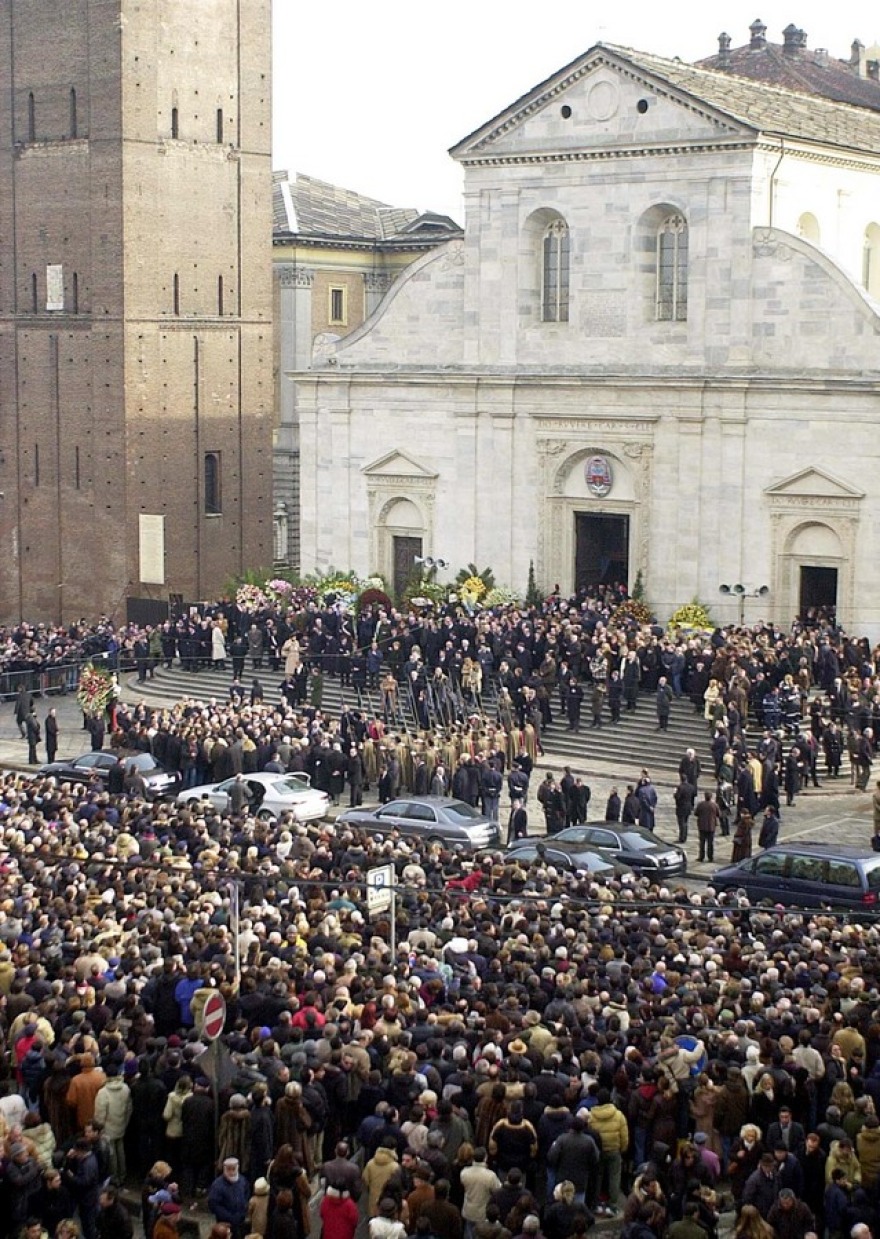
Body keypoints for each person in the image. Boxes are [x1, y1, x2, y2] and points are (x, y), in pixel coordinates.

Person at [208, 1158, 251, 1239]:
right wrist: (230, 1217)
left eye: (233, 1169)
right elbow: (213, 1204)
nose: (231, 1172)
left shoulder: (242, 1180)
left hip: (241, 1220)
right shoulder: (217, 1185)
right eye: (228, 1169)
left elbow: (246, 1194)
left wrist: (244, 1209)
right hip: (225, 1223)